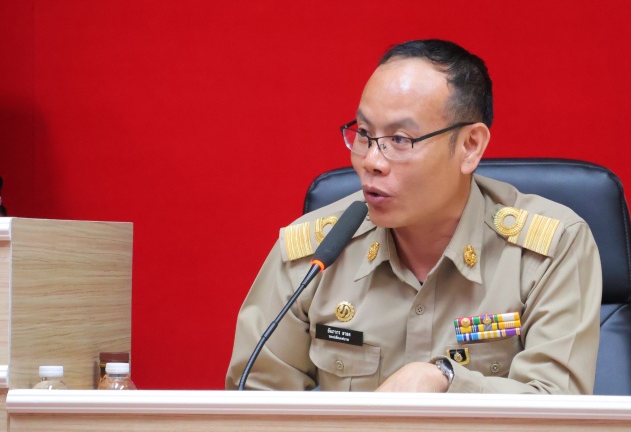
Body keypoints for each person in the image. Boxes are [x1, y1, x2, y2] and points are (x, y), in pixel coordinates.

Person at [225, 39, 602, 393]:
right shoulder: (315, 253)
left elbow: (557, 412)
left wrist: (445, 381)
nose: (371, 161)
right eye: (364, 133)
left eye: (400, 140)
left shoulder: (550, 249)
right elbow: (256, 408)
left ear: (470, 146)